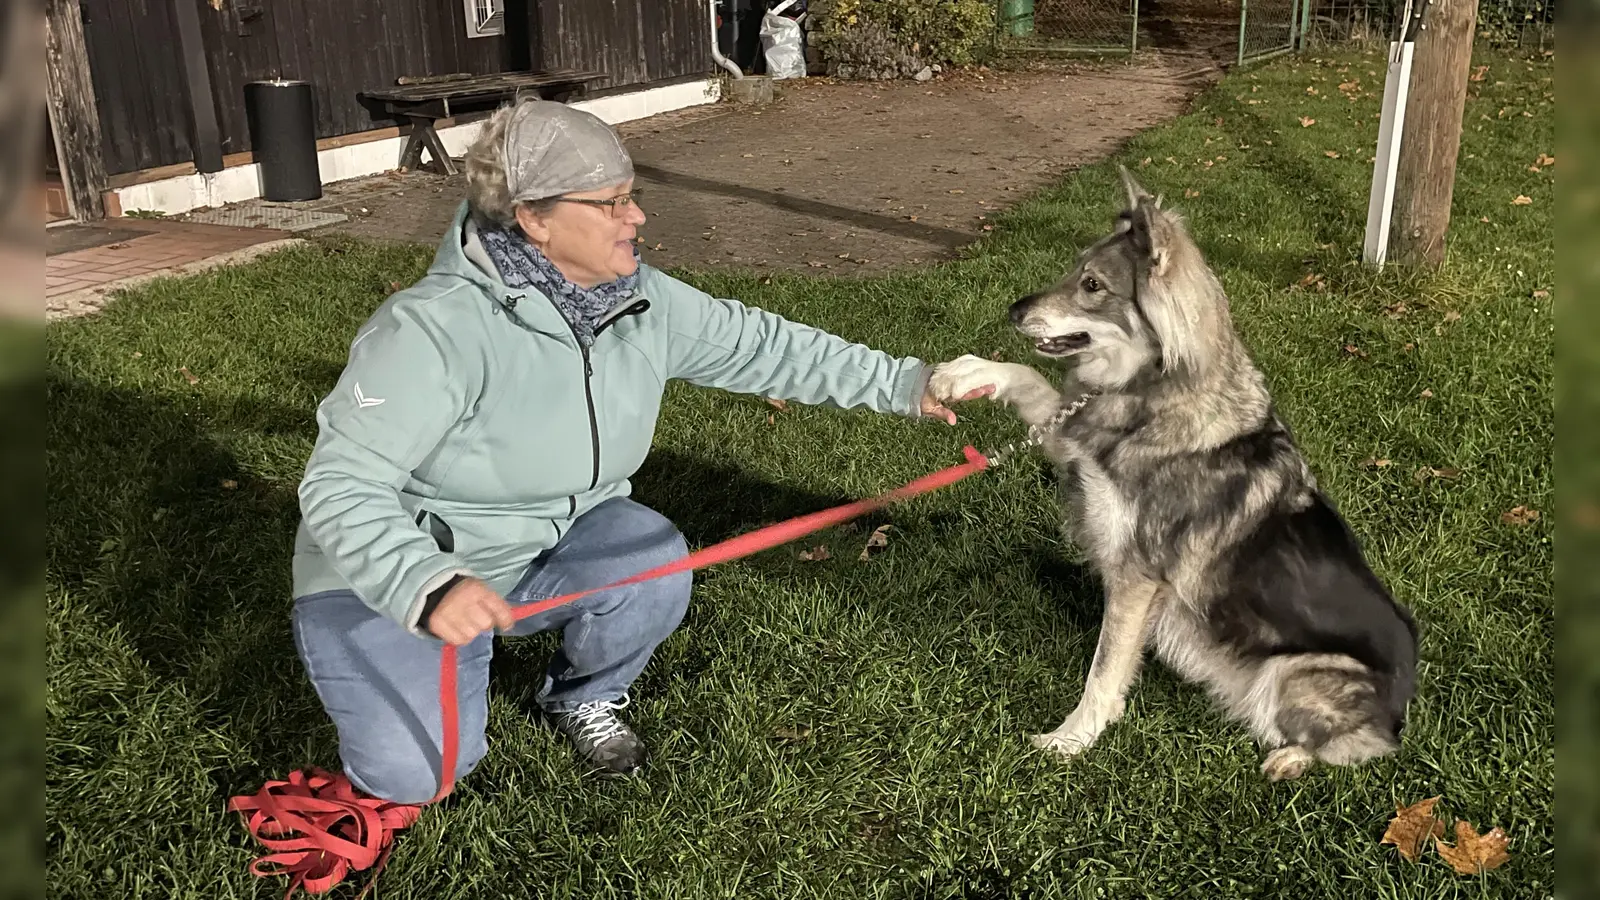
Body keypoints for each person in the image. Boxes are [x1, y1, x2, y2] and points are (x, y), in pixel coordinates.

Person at [290, 98, 979, 803]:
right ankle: (435, 648)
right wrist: (425, 586)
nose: (637, 218)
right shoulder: (430, 331)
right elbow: (341, 487)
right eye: (613, 203)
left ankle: (581, 695)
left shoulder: (637, 299)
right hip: (392, 574)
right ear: (535, 217)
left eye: (633, 197)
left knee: (649, 558)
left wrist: (906, 383)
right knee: (422, 777)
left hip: (540, 546)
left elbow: (764, 346)